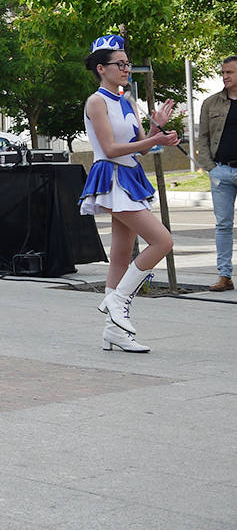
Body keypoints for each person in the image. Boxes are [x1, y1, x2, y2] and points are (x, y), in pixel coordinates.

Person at [80, 35, 178, 352]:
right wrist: (154, 142)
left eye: (127, 64)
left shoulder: (126, 101)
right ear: (101, 68)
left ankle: (113, 332)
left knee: (122, 254)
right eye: (119, 64)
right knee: (163, 241)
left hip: (130, 176)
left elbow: (139, 149)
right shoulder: (97, 102)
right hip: (111, 178)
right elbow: (110, 149)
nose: (126, 69)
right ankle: (118, 300)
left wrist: (155, 129)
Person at [196, 55, 237, 291]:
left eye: (229, 72)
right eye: (223, 72)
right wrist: (210, 168)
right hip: (221, 171)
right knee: (223, 224)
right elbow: (203, 137)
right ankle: (224, 275)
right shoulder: (211, 103)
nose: (224, 77)